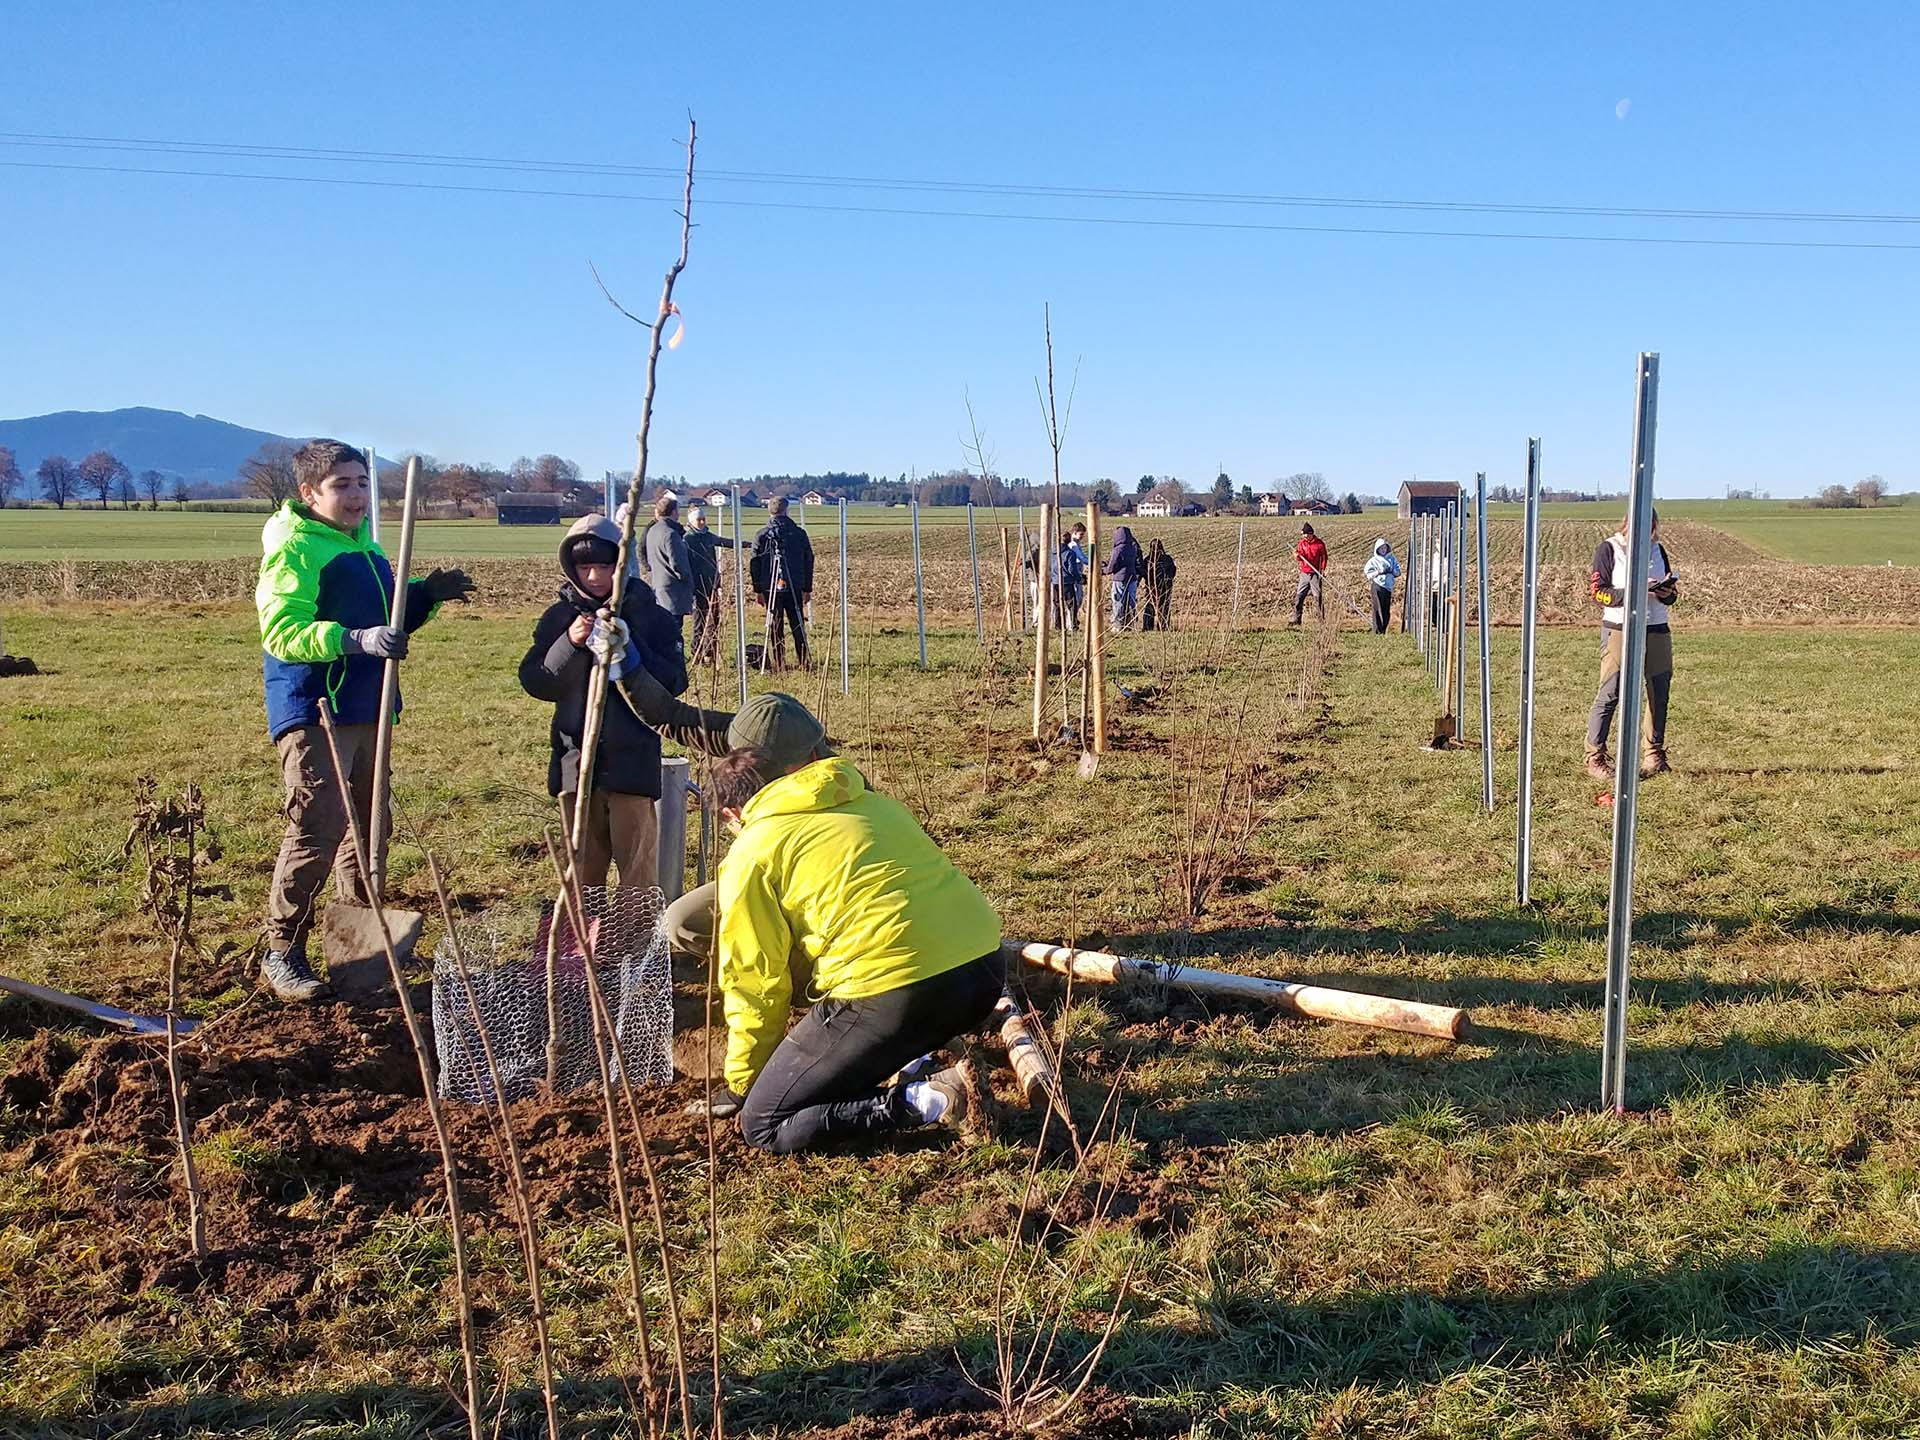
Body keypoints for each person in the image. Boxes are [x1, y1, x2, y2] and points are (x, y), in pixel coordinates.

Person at [696, 733, 1003, 1154]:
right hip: (983, 969)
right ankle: (914, 1063)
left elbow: (754, 980)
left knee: (766, 1124)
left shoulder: (753, 850)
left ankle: (927, 1101)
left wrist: (744, 1084)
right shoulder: (872, 803)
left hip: (898, 991)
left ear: (734, 813)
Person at [255, 440, 475, 1002]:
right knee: (319, 826)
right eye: (341, 486)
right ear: (309, 493)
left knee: (369, 828)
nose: (355, 496)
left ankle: (358, 937)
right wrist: (355, 640)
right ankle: (282, 950)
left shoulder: (363, 544)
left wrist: (424, 596)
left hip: (371, 704)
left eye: (360, 483)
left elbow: (386, 626)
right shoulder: (297, 549)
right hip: (318, 708)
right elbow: (282, 632)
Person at [519, 515, 688, 889]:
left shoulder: (652, 616)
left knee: (637, 872)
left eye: (604, 566)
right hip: (575, 765)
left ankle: (634, 944)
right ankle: (583, 941)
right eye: (584, 566)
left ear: (622, 564)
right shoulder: (559, 617)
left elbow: (675, 681)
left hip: (633, 764)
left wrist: (630, 649)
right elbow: (537, 682)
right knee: (580, 870)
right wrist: (569, 643)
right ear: (570, 567)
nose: (594, 577)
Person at [1585, 509, 1679, 781]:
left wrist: (1666, 591)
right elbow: (1598, 591)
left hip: (1657, 626)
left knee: (1659, 691)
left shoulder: (1658, 550)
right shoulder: (1609, 549)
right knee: (1611, 691)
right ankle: (1595, 755)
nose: (1645, 529)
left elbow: (1671, 596)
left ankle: (1654, 754)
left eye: (1650, 524)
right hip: (1620, 627)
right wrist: (1634, 591)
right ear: (1627, 522)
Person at [751, 496, 814, 668]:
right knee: (797, 623)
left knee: (775, 625)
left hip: (770, 588)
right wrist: (807, 588)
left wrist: (758, 590)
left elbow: (754, 563)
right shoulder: (799, 534)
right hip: (795, 584)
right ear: (787, 511)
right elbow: (809, 560)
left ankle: (780, 662)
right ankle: (804, 661)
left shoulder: (761, 535)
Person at [683, 504, 740, 665]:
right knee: (699, 621)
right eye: (699, 520)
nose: (702, 522)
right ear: (692, 521)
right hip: (698, 585)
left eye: (703, 519)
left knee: (714, 619)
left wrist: (747, 544)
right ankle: (697, 653)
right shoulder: (688, 539)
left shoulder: (708, 536)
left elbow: (724, 542)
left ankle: (711, 651)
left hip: (713, 584)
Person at [644, 494, 694, 642]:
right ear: (673, 512)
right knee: (674, 628)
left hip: (658, 584)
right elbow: (678, 564)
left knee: (663, 626)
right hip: (673, 589)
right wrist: (687, 579)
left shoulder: (652, 531)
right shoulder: (671, 534)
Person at [1106, 525, 1143, 630]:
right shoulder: (1133, 548)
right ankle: (1132, 624)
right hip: (1132, 578)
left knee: (1118, 601)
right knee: (1131, 602)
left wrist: (1103, 570)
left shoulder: (1118, 549)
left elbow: (1112, 566)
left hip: (1119, 579)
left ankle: (1117, 625)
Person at [1291, 523, 1329, 626]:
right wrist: (1296, 555)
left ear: (1311, 534)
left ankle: (1321, 621)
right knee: (1299, 597)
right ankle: (1296, 619)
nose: (1305, 537)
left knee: (1317, 597)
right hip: (1304, 573)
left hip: (1315, 574)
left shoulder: (1319, 544)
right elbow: (1298, 556)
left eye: (1307, 535)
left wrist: (1321, 570)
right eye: (1304, 535)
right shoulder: (1302, 543)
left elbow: (1324, 558)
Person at [1362, 538, 1401, 634]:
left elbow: (1398, 572)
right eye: (1381, 548)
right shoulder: (1373, 561)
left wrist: (1392, 571)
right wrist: (1379, 572)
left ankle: (1384, 628)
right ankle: (1377, 630)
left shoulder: (1392, 559)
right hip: (1378, 586)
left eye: (1385, 548)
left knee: (1386, 609)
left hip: (1388, 587)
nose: (1383, 550)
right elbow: (1368, 574)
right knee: (1378, 608)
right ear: (1377, 549)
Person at [1142, 538, 1177, 631]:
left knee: (1150, 606)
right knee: (1164, 607)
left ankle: (1147, 627)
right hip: (1166, 587)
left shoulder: (1147, 560)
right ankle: (1163, 627)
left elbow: (1143, 572)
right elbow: (1173, 571)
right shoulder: (1168, 559)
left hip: (1151, 587)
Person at [1061, 521, 1089, 630]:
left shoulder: (1076, 543)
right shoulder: (1073, 545)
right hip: (1074, 574)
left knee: (1078, 598)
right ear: (1075, 532)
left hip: (1076, 572)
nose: (1082, 537)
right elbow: (1082, 558)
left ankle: (1072, 621)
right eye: (1081, 534)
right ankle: (1071, 623)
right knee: (1076, 599)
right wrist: (1094, 562)